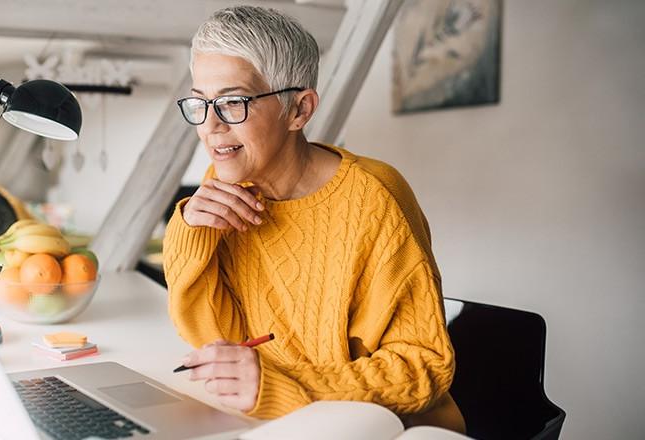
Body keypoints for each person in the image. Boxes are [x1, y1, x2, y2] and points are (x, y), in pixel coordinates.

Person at [163, 6, 465, 433]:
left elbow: (423, 368)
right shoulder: (230, 186)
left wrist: (285, 385)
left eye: (233, 102)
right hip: (286, 423)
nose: (210, 126)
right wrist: (190, 232)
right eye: (200, 102)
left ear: (299, 111)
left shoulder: (375, 196)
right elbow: (215, 340)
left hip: (391, 428)